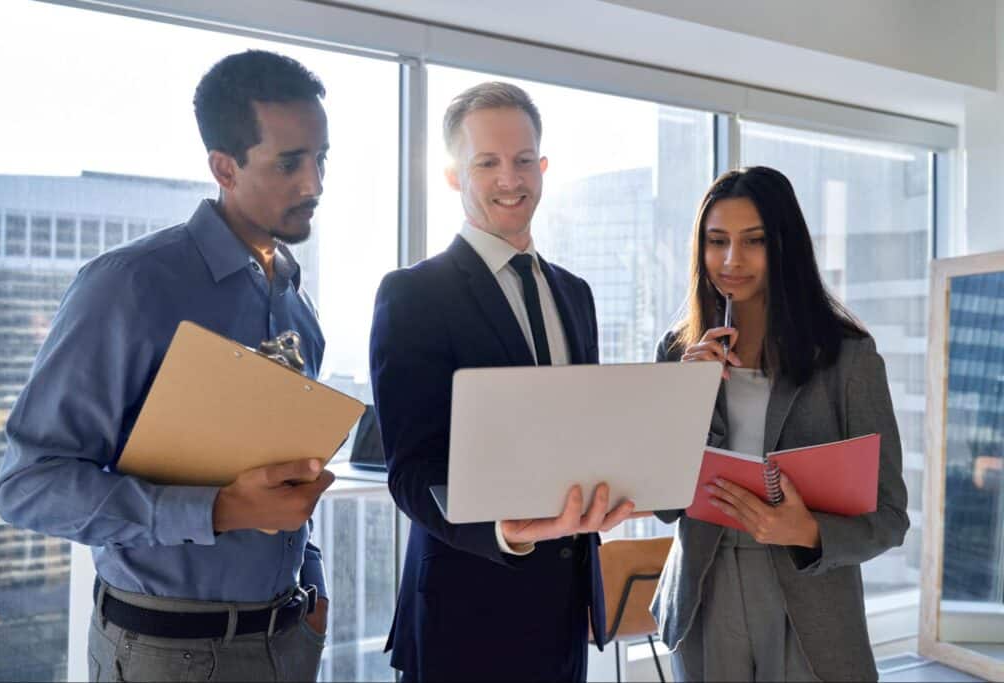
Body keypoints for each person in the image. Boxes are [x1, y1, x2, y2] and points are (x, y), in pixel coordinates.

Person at [0, 50, 335, 682]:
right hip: (166, 653)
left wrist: (309, 591)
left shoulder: (296, 303)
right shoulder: (129, 286)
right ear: (223, 167)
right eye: (290, 162)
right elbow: (28, 487)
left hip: (287, 639)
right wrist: (220, 510)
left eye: (321, 158)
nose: (314, 183)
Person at [369, 81, 636, 682]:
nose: (508, 179)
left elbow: (578, 434)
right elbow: (410, 471)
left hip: (566, 612)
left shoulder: (576, 294)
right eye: (486, 162)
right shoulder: (413, 295)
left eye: (521, 161)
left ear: (542, 167)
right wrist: (501, 531)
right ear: (452, 174)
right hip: (464, 615)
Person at [652, 166, 909, 682]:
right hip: (706, 588)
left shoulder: (849, 359)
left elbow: (890, 517)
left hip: (808, 593)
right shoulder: (678, 352)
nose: (731, 260)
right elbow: (661, 505)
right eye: (716, 241)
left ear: (785, 246)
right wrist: (687, 401)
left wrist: (807, 530)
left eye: (754, 241)